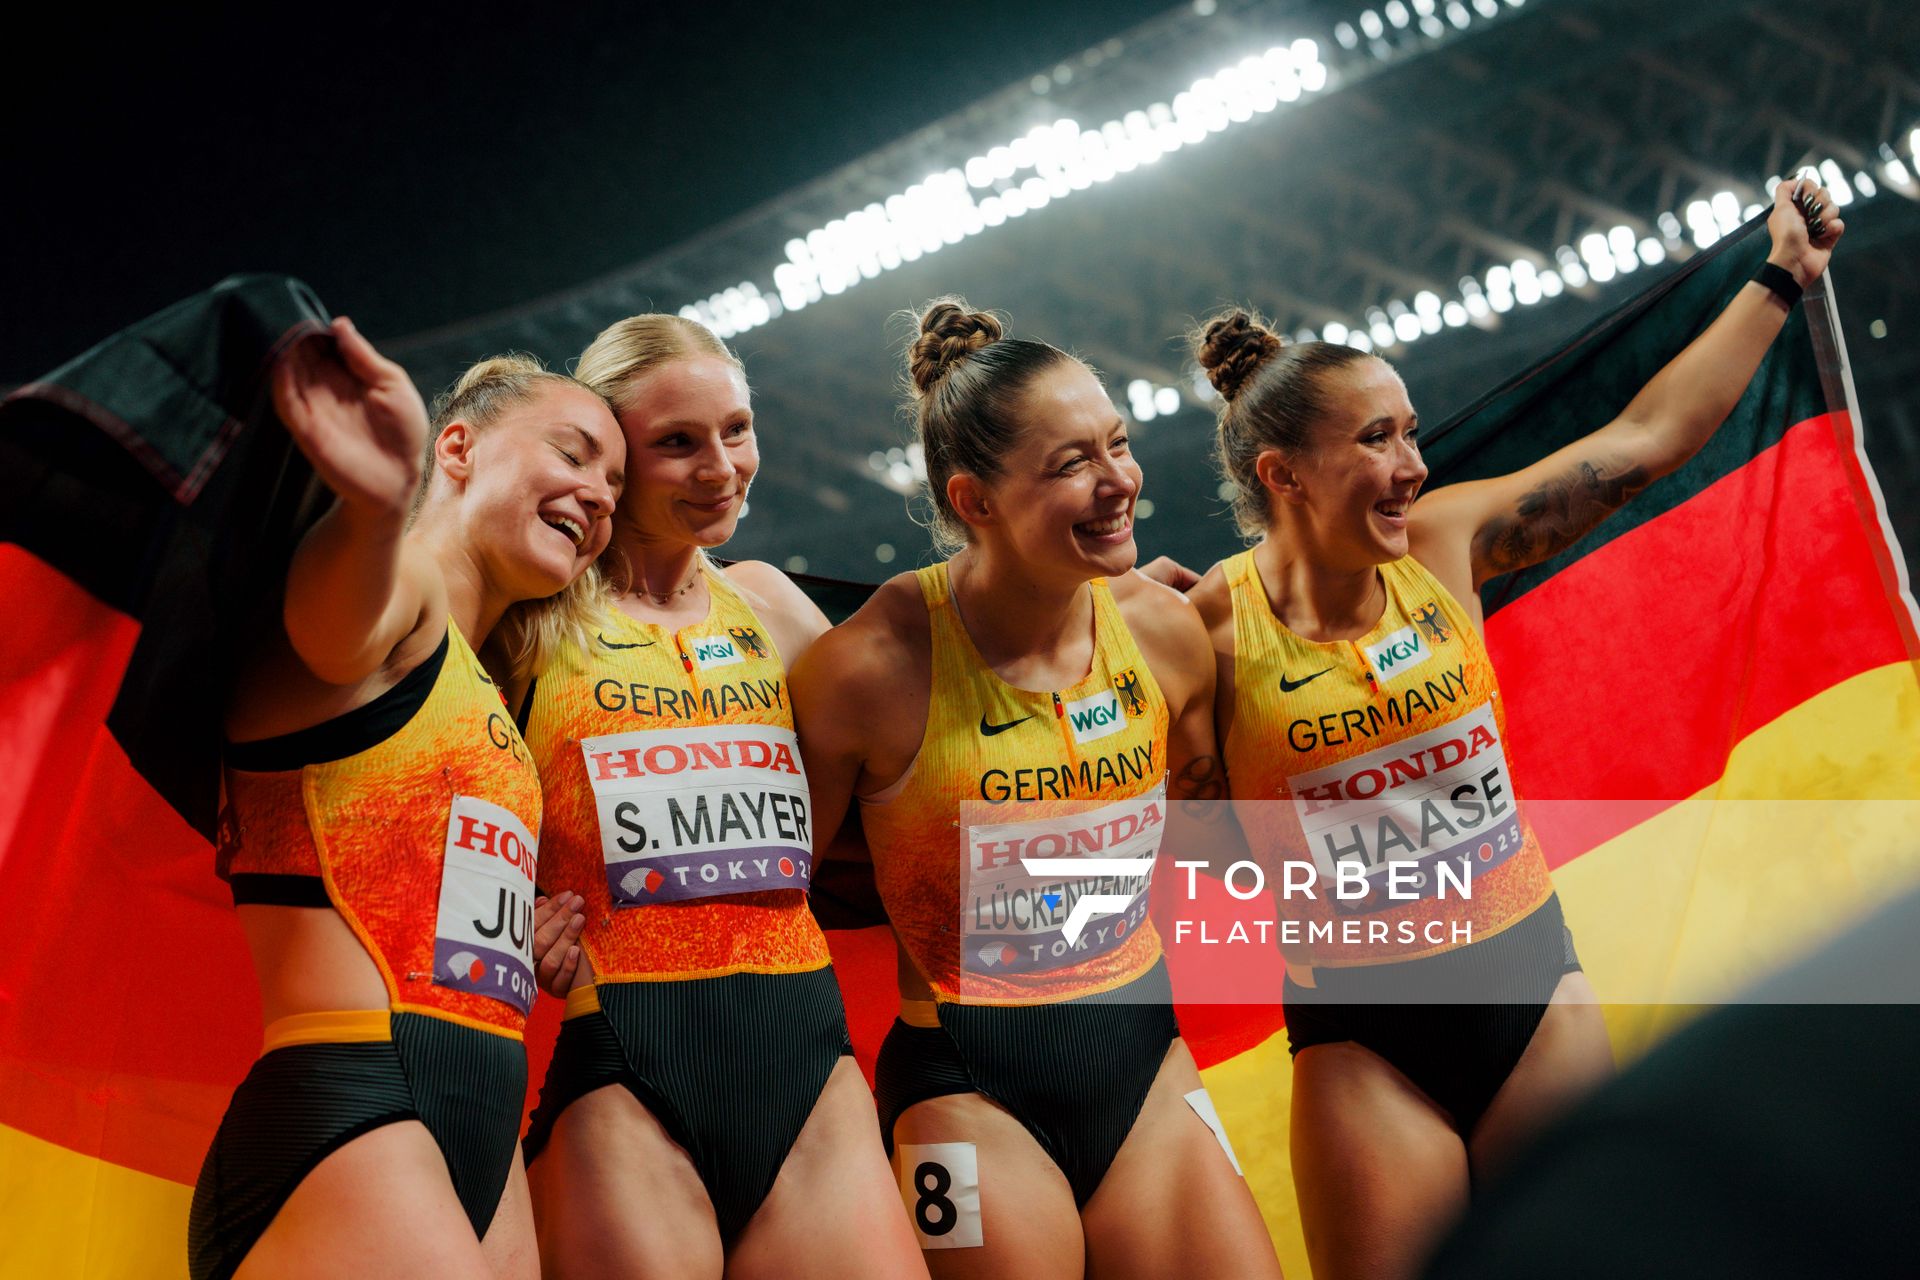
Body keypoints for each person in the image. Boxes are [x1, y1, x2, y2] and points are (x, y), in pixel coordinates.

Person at [1184, 175, 1843, 1279]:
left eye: (1409, 432)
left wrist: (1781, 276)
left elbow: (1649, 435)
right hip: (1365, 1039)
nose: (1414, 464)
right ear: (1282, 474)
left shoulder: (1445, 542)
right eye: (1378, 441)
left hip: (1531, 989)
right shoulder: (1203, 630)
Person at [790, 299, 1284, 1279]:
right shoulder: (867, 672)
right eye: (1073, 464)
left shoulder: (1162, 633)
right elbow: (772, 896)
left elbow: (1214, 843)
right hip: (967, 1083)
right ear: (973, 500)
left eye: (1119, 444)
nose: (1120, 484)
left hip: (1140, 1055)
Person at [194, 321, 626, 1280]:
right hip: (352, 1112)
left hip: (480, 1131)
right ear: (459, 447)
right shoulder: (396, 597)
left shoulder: (491, 701)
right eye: (574, 453)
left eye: (614, 488)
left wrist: (518, 940)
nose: (598, 495)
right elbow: (335, 636)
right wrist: (374, 507)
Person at [514, 313, 925, 1279]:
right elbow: (430, 797)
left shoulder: (771, 605)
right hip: (625, 1068)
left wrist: (1105, 614)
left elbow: (920, 780)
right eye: (678, 444)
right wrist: (501, 916)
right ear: (611, 461)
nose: (721, 467)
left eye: (736, 429)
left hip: (807, 1055)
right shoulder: (525, 622)